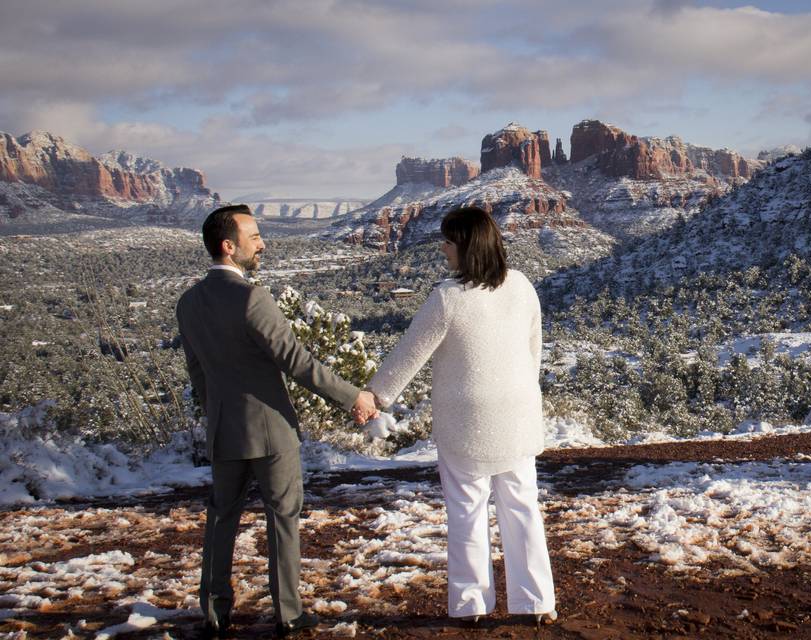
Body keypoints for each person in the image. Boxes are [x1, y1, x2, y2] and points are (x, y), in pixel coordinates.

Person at [176, 204, 378, 639]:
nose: (262, 243)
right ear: (229, 247)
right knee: (283, 516)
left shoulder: (188, 303)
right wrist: (352, 397)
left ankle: (214, 611)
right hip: (270, 429)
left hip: (223, 426)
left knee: (221, 516)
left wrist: (215, 415)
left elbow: (198, 374)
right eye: (254, 237)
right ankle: (288, 612)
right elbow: (296, 361)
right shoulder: (253, 297)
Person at [367, 206, 557, 625]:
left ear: (467, 247)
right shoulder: (523, 286)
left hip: (466, 422)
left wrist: (374, 396)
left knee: (467, 510)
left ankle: (471, 605)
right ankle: (536, 602)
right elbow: (533, 350)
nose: (443, 249)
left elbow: (408, 355)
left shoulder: (447, 298)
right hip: (518, 415)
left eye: (449, 241)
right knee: (522, 506)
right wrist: (523, 393)